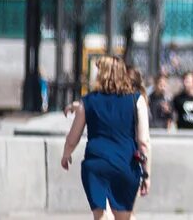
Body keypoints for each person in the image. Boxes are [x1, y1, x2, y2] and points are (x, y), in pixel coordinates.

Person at [60, 55, 151, 219]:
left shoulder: (87, 102)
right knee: (124, 216)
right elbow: (143, 142)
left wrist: (66, 154)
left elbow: (73, 137)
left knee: (100, 215)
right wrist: (146, 173)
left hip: (96, 164)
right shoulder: (136, 100)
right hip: (125, 165)